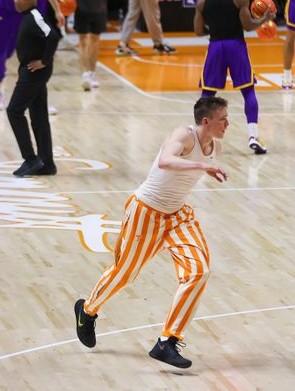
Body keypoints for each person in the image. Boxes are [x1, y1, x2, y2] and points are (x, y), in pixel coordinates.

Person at [74, 96, 229, 369]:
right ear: (206, 121)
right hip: (146, 211)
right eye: (223, 118)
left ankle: (167, 341)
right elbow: (166, 161)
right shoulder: (184, 134)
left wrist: (207, 168)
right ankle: (87, 311)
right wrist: (203, 166)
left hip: (178, 216)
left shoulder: (215, 145)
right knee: (124, 273)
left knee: (199, 271)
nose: (228, 123)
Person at [195, 0, 272, 154]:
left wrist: (214, 25)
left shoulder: (203, 1)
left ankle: (200, 140)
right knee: (248, 91)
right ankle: (253, 135)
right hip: (236, 46)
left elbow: (197, 30)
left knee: (207, 94)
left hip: (216, 46)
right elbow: (248, 26)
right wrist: (264, 19)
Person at [6, 0, 60, 177]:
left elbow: (53, 36)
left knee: (14, 111)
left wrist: (44, 61)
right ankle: (47, 164)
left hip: (35, 73)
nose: (15, 1)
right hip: (30, 72)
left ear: (28, 0)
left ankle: (31, 159)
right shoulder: (29, 17)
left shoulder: (36, 16)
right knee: (38, 116)